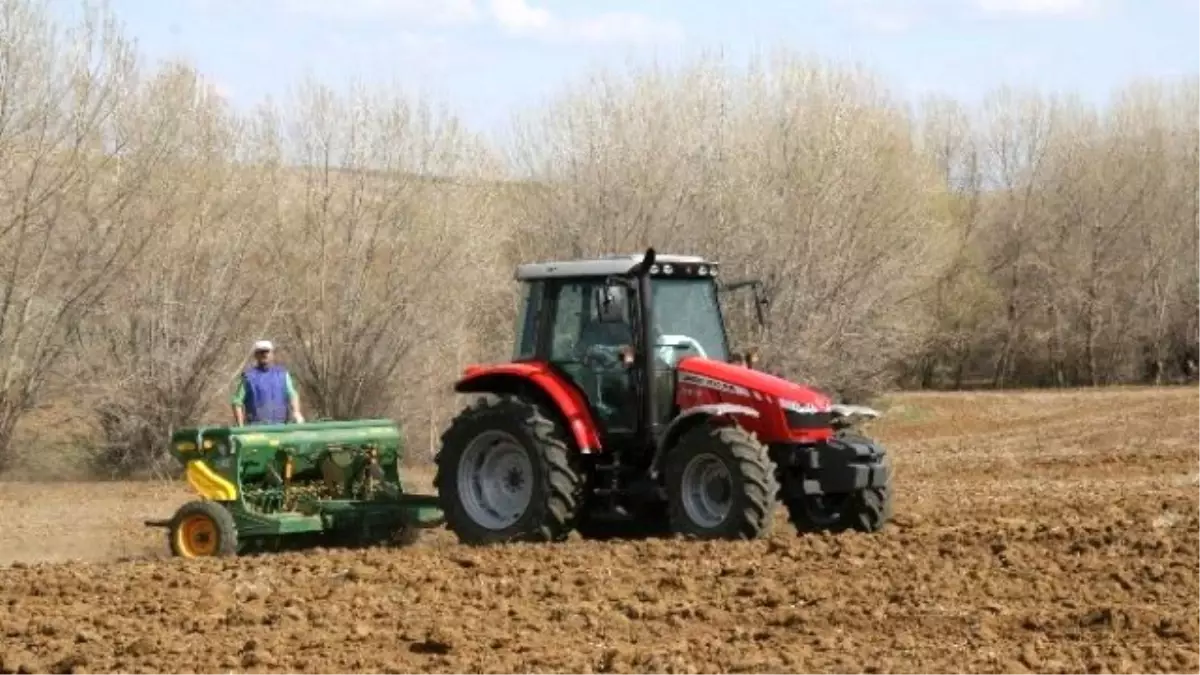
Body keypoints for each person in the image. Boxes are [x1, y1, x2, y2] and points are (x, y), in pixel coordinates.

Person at [230, 340, 305, 426]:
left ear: (272, 354)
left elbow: (292, 395)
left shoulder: (283, 374)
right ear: (255, 355)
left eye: (267, 351)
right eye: (261, 352)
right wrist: (241, 426)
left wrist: (296, 412)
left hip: (281, 427)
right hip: (256, 429)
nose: (264, 354)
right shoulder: (248, 377)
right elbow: (236, 402)